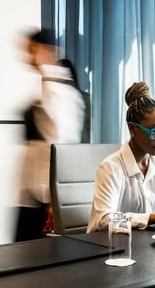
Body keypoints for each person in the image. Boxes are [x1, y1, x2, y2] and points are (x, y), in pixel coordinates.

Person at [87, 82, 155, 232]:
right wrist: (154, 218)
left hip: (144, 247)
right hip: (107, 247)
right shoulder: (111, 167)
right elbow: (104, 219)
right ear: (132, 128)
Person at [14, 28, 85, 241]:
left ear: (47, 51)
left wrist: (53, 198)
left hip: (44, 193)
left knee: (30, 254)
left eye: (31, 51)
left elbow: (60, 143)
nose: (28, 58)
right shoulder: (49, 85)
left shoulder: (58, 89)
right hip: (34, 190)